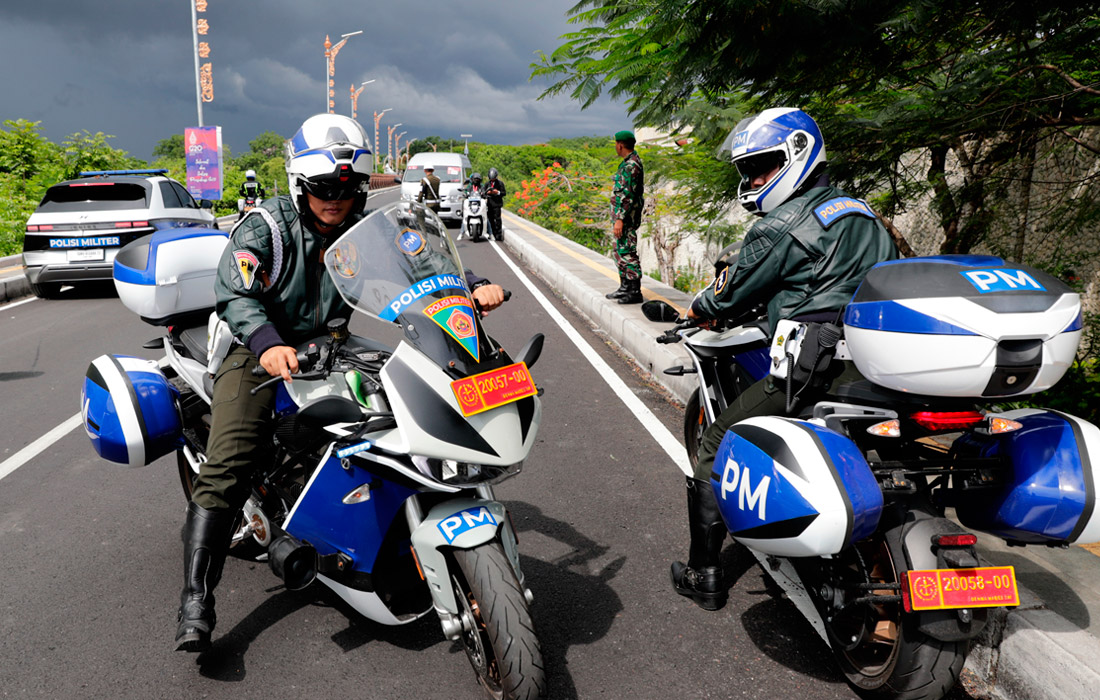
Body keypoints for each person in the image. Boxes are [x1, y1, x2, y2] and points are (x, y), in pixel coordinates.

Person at [174, 114, 506, 653]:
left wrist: (474, 285)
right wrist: (267, 344)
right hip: (257, 349)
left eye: (347, 188)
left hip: (329, 346)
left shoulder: (365, 223)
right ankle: (195, 598)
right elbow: (236, 294)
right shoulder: (266, 227)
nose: (335, 199)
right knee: (230, 460)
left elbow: (422, 263)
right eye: (323, 189)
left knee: (402, 404)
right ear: (300, 186)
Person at [668, 108, 899, 611]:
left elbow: (728, 297)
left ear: (797, 154)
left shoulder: (781, 224)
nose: (754, 179)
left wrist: (700, 308)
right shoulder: (862, 213)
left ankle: (703, 575)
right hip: (874, 365)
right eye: (748, 169)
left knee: (713, 442)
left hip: (811, 368)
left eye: (765, 165)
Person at [606, 130, 645, 304]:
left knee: (627, 252)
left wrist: (620, 219)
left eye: (615, 144)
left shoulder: (631, 166)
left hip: (626, 218)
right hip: (624, 217)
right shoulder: (628, 163)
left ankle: (634, 291)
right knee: (620, 250)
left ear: (620, 145)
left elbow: (627, 195)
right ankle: (625, 287)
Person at [485, 167, 506, 241]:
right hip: (490, 204)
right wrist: (488, 193)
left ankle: (498, 235)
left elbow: (504, 193)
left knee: (498, 220)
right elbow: (483, 192)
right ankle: (492, 233)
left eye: (493, 179)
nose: (492, 180)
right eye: (491, 179)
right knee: (490, 219)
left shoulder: (500, 183)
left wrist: (497, 192)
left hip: (497, 204)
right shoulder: (487, 184)